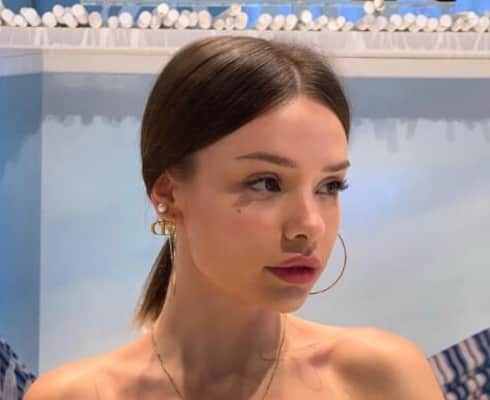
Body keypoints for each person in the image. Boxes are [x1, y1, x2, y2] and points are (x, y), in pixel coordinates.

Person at [24, 35, 444, 400]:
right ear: (168, 193)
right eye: (266, 183)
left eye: (330, 186)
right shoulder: (77, 394)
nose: (309, 224)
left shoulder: (381, 378)